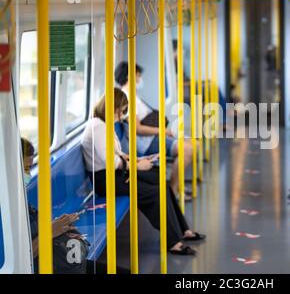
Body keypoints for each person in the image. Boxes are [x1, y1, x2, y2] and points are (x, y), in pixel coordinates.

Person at [81, 88, 205, 256]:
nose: (123, 115)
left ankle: (183, 230)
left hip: (116, 173)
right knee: (154, 193)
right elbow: (112, 162)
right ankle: (173, 242)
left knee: (160, 178)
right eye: (123, 110)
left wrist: (137, 160)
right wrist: (137, 166)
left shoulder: (104, 125)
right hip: (106, 180)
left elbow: (117, 154)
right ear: (114, 108)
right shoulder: (97, 127)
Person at [21, 138, 130, 274]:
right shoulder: (8, 211)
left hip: (61, 260)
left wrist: (60, 225)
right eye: (24, 168)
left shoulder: (19, 197)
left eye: (29, 168)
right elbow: (20, 260)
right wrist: (50, 231)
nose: (28, 174)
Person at [114, 62, 194, 199]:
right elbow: (137, 128)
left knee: (189, 144)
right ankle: (173, 191)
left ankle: (176, 187)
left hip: (151, 138)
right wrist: (162, 131)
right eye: (138, 75)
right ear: (129, 76)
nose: (140, 79)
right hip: (145, 142)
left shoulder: (133, 96)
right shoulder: (127, 98)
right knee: (187, 149)